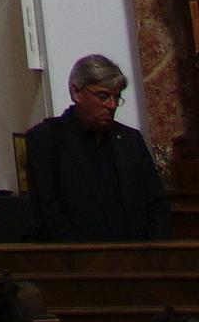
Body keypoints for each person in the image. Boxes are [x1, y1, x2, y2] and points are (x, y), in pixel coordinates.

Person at [26, 54, 172, 241]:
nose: (112, 105)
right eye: (103, 96)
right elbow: (48, 213)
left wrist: (152, 250)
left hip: (136, 253)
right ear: (76, 92)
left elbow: (157, 205)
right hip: (77, 254)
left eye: (117, 97)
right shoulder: (47, 139)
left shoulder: (130, 140)